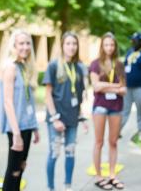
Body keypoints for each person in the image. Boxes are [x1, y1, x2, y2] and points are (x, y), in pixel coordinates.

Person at [42, 32, 85, 191]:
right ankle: (50, 187)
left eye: (74, 43)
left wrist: (81, 117)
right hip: (56, 118)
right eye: (68, 43)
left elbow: (79, 95)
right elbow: (47, 95)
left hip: (73, 118)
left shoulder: (79, 67)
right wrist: (55, 118)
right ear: (62, 46)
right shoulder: (53, 65)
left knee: (70, 153)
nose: (71, 46)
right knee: (54, 153)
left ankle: (68, 186)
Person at [0, 29, 40, 191]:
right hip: (17, 127)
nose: (25, 47)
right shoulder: (11, 67)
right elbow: (8, 102)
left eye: (28, 43)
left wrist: (34, 126)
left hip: (26, 125)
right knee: (14, 170)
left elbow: (27, 101)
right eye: (21, 43)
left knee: (21, 166)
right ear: (14, 46)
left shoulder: (24, 66)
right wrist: (16, 134)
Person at [89, 32, 126, 190]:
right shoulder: (95, 64)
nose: (109, 47)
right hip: (100, 107)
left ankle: (112, 175)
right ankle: (98, 176)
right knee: (99, 142)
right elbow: (96, 86)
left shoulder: (119, 64)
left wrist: (107, 86)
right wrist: (115, 87)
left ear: (115, 46)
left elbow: (124, 89)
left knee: (113, 142)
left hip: (116, 107)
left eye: (112, 45)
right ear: (102, 46)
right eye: (106, 44)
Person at [120, 32, 141, 141]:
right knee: (124, 110)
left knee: (140, 110)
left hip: (139, 88)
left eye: (134, 40)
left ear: (140, 41)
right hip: (128, 87)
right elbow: (125, 68)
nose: (132, 42)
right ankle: (117, 130)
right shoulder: (130, 52)